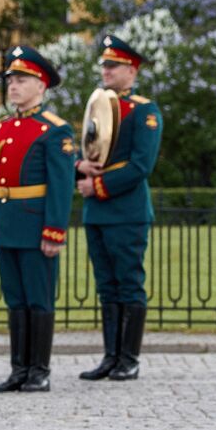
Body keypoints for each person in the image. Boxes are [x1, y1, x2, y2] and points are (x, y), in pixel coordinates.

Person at [0, 46, 76, 393]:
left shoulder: (54, 130)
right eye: (11, 79)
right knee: (15, 300)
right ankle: (19, 368)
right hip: (6, 223)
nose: (13, 85)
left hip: (35, 226)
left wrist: (54, 231)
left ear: (41, 85)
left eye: (22, 79)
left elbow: (61, 188)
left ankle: (38, 370)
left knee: (38, 299)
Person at [75, 35, 163, 382]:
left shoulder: (144, 110)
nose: (106, 71)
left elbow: (141, 165)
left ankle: (129, 358)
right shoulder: (99, 105)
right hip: (97, 212)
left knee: (128, 284)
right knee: (106, 286)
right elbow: (88, 151)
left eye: (113, 66)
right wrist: (80, 168)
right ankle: (110, 356)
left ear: (132, 69)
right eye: (104, 65)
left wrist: (96, 185)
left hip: (126, 211)